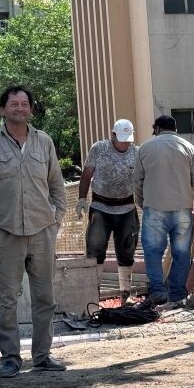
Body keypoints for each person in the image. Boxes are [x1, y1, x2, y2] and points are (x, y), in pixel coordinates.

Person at [0, 86, 67, 377]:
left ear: (31, 109)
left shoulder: (44, 142)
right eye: (13, 104)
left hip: (42, 231)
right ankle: (10, 358)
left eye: (25, 103)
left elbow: (56, 184)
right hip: (5, 233)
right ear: (2, 110)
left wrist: (57, 218)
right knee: (7, 300)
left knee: (45, 298)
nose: (20, 108)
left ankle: (42, 356)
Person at [131, 114, 194, 307]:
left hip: (154, 208)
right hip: (183, 209)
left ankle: (157, 290)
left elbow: (136, 181)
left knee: (152, 251)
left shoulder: (145, 149)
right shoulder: (189, 148)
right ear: (175, 129)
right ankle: (177, 293)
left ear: (157, 128)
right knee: (182, 253)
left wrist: (142, 202)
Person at [76, 118, 139, 303]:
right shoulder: (99, 149)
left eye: (128, 139)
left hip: (127, 208)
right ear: (112, 135)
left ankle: (126, 295)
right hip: (101, 207)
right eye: (121, 138)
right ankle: (92, 296)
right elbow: (87, 174)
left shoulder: (137, 152)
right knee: (95, 251)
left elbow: (144, 179)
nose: (124, 143)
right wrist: (81, 199)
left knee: (127, 252)